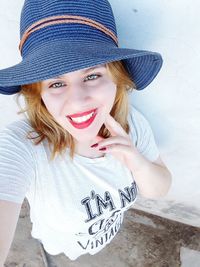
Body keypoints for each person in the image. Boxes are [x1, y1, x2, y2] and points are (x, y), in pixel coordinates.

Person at [0, 0, 172, 264]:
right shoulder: (23, 146)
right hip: (57, 241)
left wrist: (136, 161)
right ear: (40, 94)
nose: (78, 101)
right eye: (56, 82)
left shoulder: (131, 124)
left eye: (92, 76)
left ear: (117, 78)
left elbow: (159, 189)